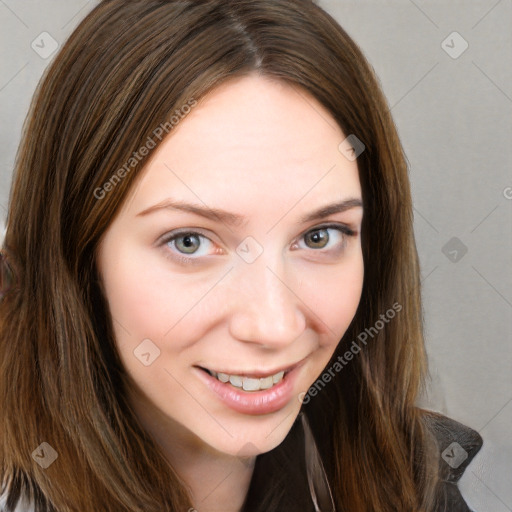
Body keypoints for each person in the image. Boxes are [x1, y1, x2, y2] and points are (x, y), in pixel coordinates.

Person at [0, 1, 483, 511]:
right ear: (75, 258)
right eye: (190, 241)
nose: (274, 327)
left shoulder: (410, 486)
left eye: (320, 236)